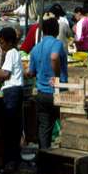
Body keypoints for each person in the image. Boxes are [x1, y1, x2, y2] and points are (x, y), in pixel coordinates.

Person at [26, 16, 68, 150]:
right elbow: (54, 57)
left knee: (44, 127)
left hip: (41, 93)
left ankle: (44, 157)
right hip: (56, 92)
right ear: (56, 30)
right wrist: (56, 76)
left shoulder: (36, 48)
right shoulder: (57, 43)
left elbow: (31, 72)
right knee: (65, 125)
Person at [0, 26, 24, 174]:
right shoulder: (14, 53)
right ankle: (10, 161)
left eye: (2, 43)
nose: (0, 47)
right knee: (12, 129)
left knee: (10, 129)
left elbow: (4, 74)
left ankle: (10, 162)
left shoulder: (10, 53)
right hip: (14, 91)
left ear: (9, 42)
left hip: (12, 91)